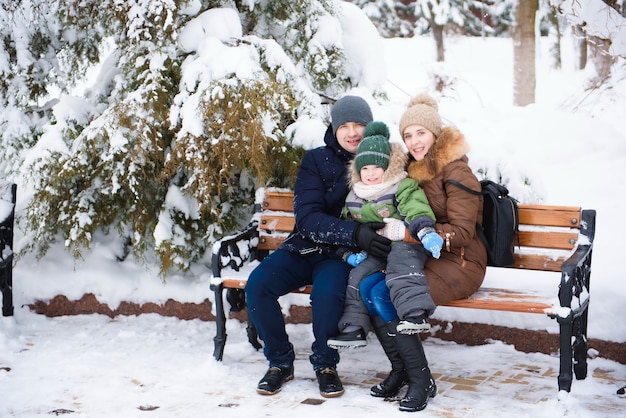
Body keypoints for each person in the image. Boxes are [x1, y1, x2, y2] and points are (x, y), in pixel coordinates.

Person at [244, 95, 392, 398]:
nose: (352, 132)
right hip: (304, 248)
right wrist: (355, 232)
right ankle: (280, 362)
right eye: (345, 125)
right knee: (258, 285)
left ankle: (325, 365)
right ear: (334, 129)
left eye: (359, 125)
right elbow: (308, 218)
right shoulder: (316, 160)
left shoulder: (380, 163)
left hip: (340, 258)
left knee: (326, 295)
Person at [365, 93, 488, 413]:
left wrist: (411, 234)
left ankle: (421, 381)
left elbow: (464, 233)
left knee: (394, 295)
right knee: (372, 290)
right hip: (424, 255)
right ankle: (401, 369)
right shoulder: (413, 170)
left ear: (435, 133)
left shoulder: (457, 171)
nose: (414, 141)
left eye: (421, 132)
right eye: (408, 135)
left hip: (461, 260)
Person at [326, 121, 443, 350]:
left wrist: (426, 231)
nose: (370, 174)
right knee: (357, 276)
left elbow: (415, 209)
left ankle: (415, 313)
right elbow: (346, 227)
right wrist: (348, 254)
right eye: (365, 168)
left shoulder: (401, 186)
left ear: (388, 167)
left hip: (406, 243)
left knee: (401, 265)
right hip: (377, 248)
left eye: (376, 168)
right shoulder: (355, 195)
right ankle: (355, 328)